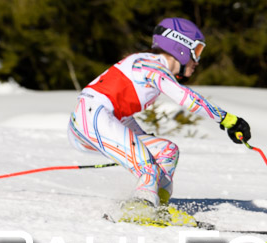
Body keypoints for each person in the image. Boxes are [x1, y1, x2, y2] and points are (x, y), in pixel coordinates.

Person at [67, 17, 251, 221]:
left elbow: (122, 115)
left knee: (167, 151)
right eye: (197, 51)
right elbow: (186, 98)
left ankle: (158, 207)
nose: (197, 61)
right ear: (181, 46)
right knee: (148, 167)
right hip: (90, 118)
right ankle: (139, 211)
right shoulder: (150, 65)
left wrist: (141, 140)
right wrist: (227, 119)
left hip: (99, 119)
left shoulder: (148, 66)